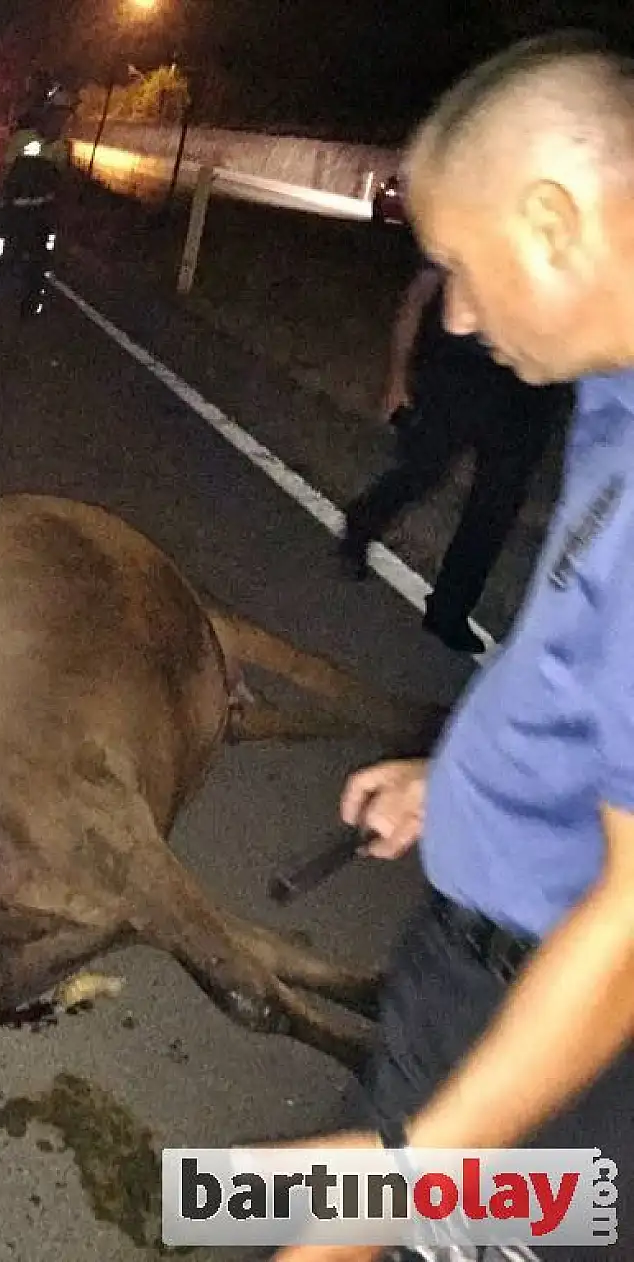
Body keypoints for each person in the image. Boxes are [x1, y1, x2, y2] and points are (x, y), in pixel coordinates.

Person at [270, 30, 634, 1262]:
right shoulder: (612, 398)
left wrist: (389, 1203)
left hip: (553, 1039)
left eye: (461, 273)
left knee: (289, 1225)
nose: (461, 319)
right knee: (249, 1206)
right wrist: (468, 778)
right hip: (463, 981)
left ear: (551, 217)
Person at [336, 249, 572, 654]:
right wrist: (397, 379)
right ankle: (361, 523)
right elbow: (419, 294)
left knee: (497, 504)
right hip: (462, 370)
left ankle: (450, 609)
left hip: (532, 387)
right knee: (423, 468)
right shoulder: (480, 209)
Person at [0, 87, 73, 316]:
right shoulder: (23, 138)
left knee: (40, 260)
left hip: (41, 213)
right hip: (14, 209)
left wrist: (58, 212)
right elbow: (7, 172)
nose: (61, 121)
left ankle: (31, 304)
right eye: (58, 114)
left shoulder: (61, 148)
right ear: (48, 113)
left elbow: (60, 181)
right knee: (0, 253)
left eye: (65, 116)